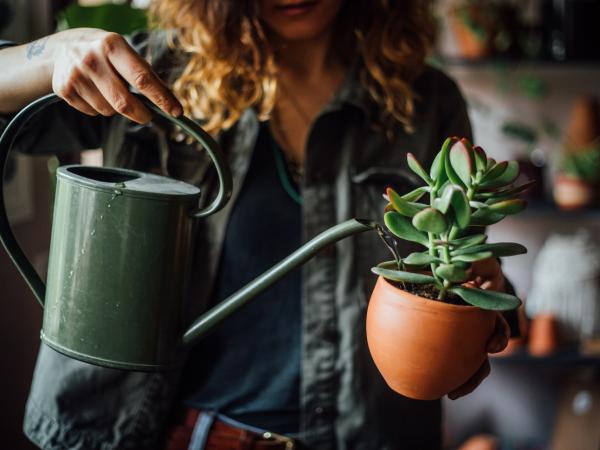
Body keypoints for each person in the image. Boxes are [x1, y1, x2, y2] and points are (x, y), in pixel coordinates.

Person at [0, 1, 514, 449]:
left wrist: (479, 292)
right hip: (184, 433)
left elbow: (465, 259)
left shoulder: (426, 102)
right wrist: (56, 52)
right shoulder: (151, 74)